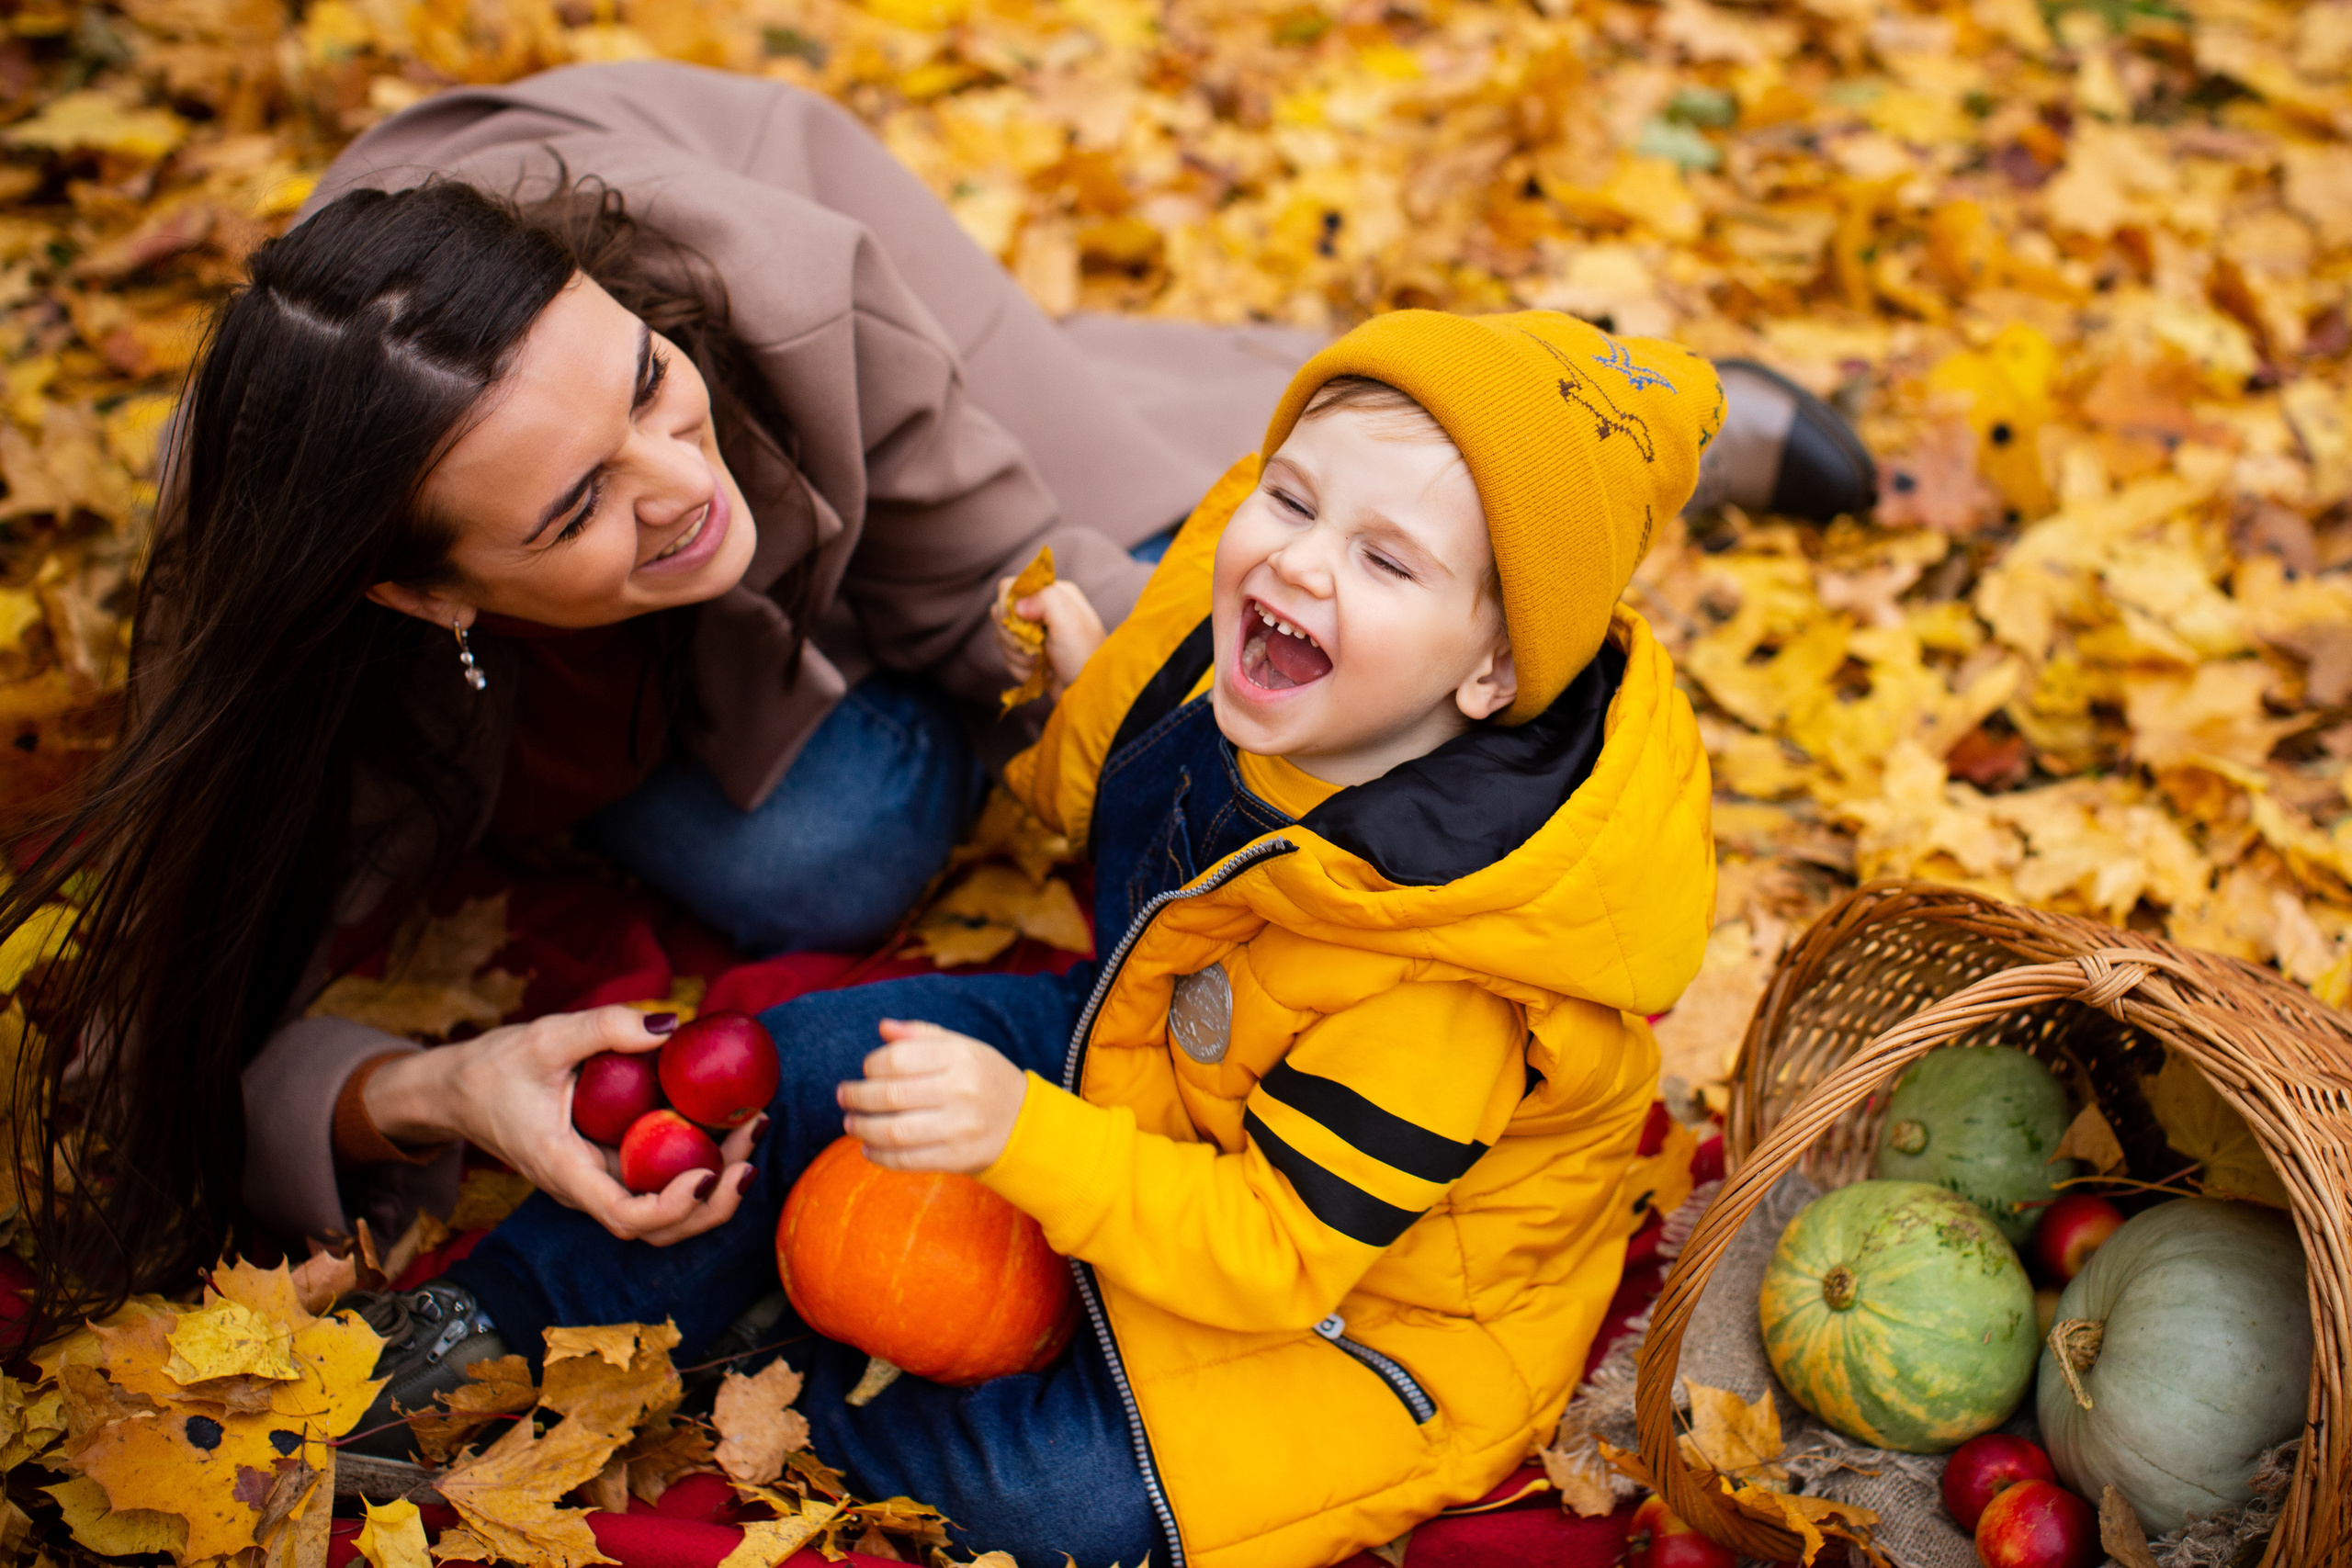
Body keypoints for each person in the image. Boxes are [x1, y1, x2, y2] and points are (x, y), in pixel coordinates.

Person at [0, 56, 1868, 1348]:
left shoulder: (770, 311)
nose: (682, 481)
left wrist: (1356, 644)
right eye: (577, 506)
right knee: (826, 826)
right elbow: (134, 1047)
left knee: (1037, 670)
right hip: (463, 567)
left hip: (794, 275)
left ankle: (1547, 428)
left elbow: (1082, 615)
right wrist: (431, 1087)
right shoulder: (293, 623)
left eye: (647, 393)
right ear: (419, 592)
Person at [359, 309, 1724, 1568]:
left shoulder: (1450, 992)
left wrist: (1025, 1136)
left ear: (1493, 671)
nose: (1302, 558)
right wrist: (1091, 705)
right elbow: (1156, 824)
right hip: (1152, 1069)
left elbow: (1273, 1254)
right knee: (810, 1055)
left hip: (1346, 1317)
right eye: (1293, 498)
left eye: (1385, 558)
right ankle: (500, 1313)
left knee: (1051, 1502)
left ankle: (775, 1379)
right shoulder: (1298, 680)